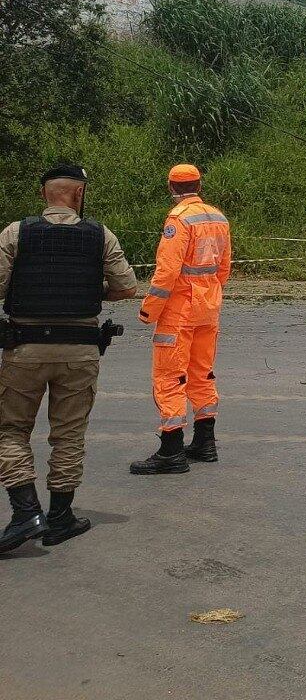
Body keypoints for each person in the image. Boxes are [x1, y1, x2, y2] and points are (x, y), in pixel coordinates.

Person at [0, 164, 137, 553]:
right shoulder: (100, 234)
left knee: (10, 431)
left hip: (24, 349)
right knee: (69, 435)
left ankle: (26, 512)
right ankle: (60, 518)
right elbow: (127, 287)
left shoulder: (16, 232)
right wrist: (92, 293)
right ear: (79, 194)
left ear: (44, 194)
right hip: (80, 350)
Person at [130, 165, 232, 475]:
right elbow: (224, 268)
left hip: (180, 311)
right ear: (199, 184)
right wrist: (209, 295)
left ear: (171, 187)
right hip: (208, 308)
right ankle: (204, 443)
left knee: (169, 377)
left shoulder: (179, 220)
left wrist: (149, 310)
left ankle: (171, 450)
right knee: (202, 373)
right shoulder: (219, 218)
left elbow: (167, 272)